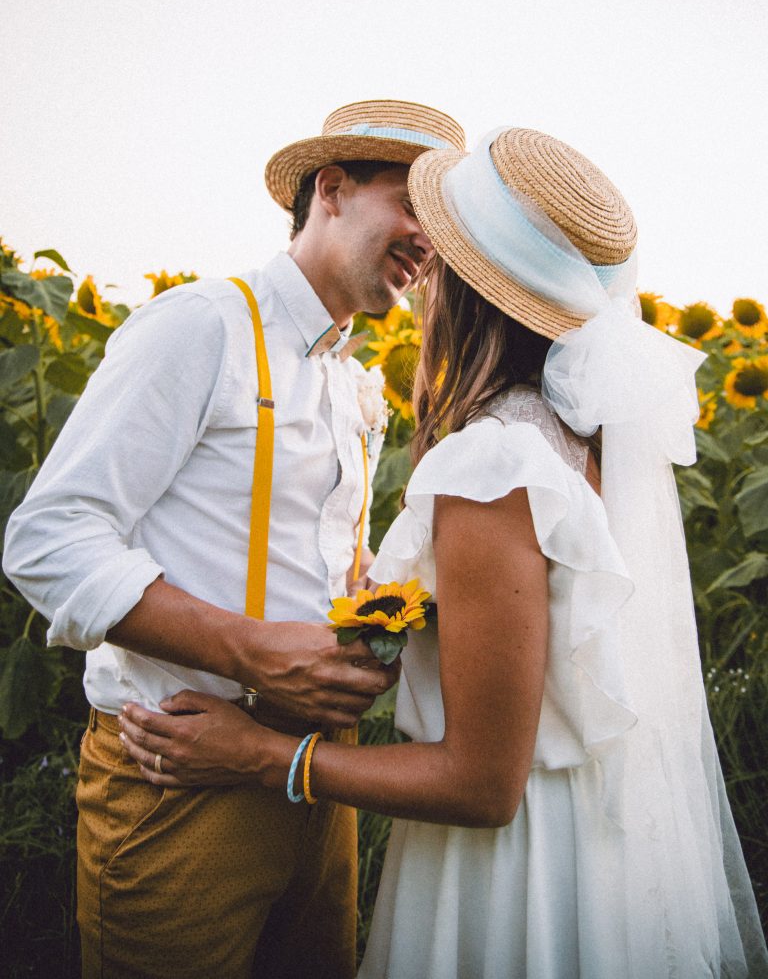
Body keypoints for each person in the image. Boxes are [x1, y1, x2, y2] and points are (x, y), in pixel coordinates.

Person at [116, 126, 768, 978]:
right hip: (590, 843)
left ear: (464, 285)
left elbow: (482, 784)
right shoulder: (583, 443)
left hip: (508, 873)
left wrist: (260, 752)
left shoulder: (493, 463)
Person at [2, 98, 467, 979]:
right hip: (180, 778)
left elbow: (308, 555)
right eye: (412, 204)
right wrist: (252, 650)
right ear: (330, 189)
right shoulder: (202, 325)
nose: (427, 241)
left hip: (317, 773)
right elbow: (49, 537)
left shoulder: (348, 378)